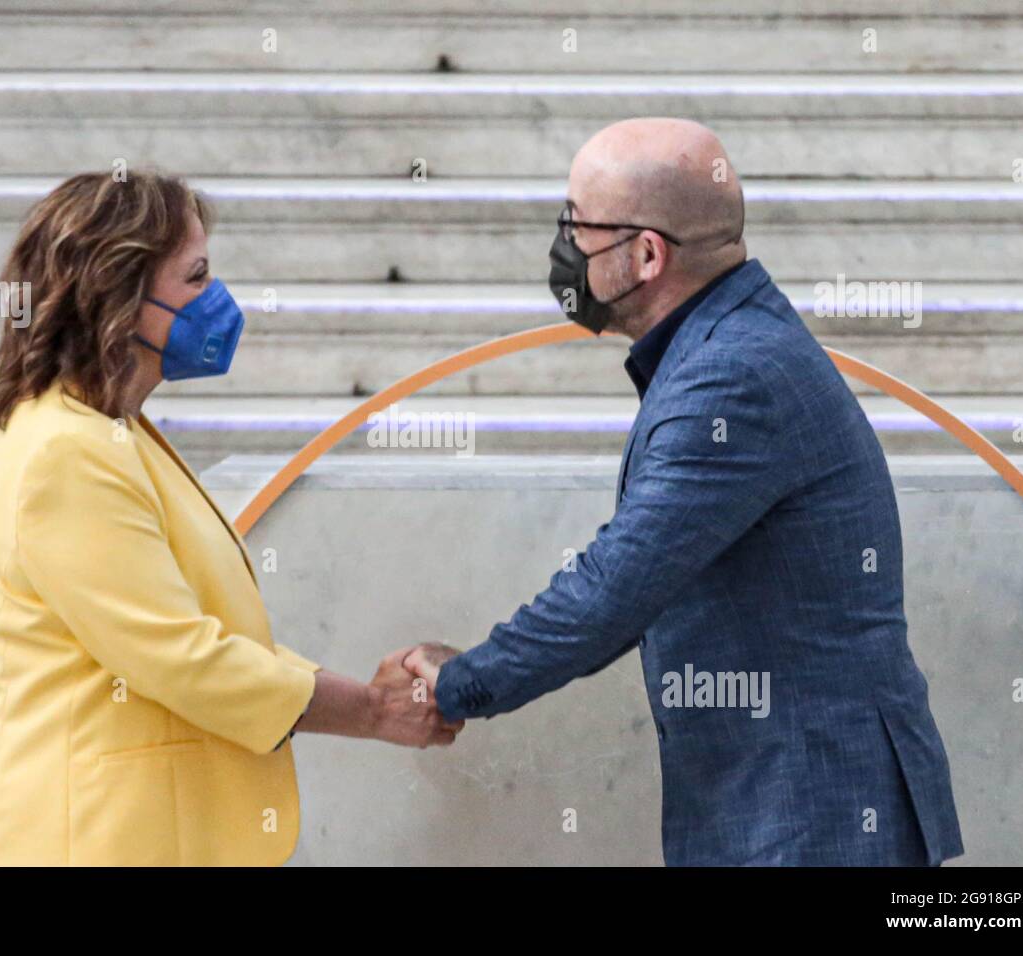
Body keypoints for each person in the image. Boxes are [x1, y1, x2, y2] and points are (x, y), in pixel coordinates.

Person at [405, 118, 964, 867]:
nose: (564, 244)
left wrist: (458, 683)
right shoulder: (728, 343)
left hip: (812, 815)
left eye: (578, 224)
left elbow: (616, 587)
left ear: (645, 255)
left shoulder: (731, 376)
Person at [0, 171, 460, 866]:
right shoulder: (65, 453)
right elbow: (184, 658)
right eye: (195, 277)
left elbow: (194, 638)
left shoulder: (109, 431)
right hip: (98, 841)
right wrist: (373, 709)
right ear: (118, 293)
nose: (219, 299)